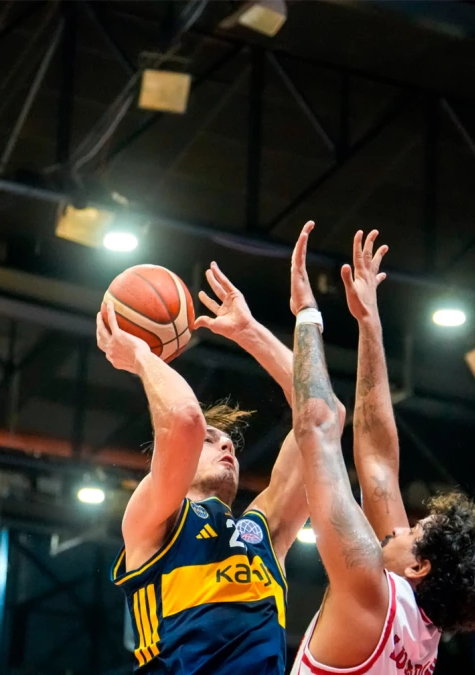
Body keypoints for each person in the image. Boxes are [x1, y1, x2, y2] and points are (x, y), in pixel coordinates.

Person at [287, 222, 475, 674]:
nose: (400, 528)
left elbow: (316, 430)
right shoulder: (418, 627)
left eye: (414, 532)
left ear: (419, 567)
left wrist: (307, 315)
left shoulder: (371, 593)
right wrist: (369, 324)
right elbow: (377, 465)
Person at [97, 262, 332, 674]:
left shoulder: (263, 534)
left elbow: (322, 416)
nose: (225, 443)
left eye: (227, 442)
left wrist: (251, 333)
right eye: (211, 439)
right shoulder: (156, 518)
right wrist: (138, 355)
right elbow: (185, 420)